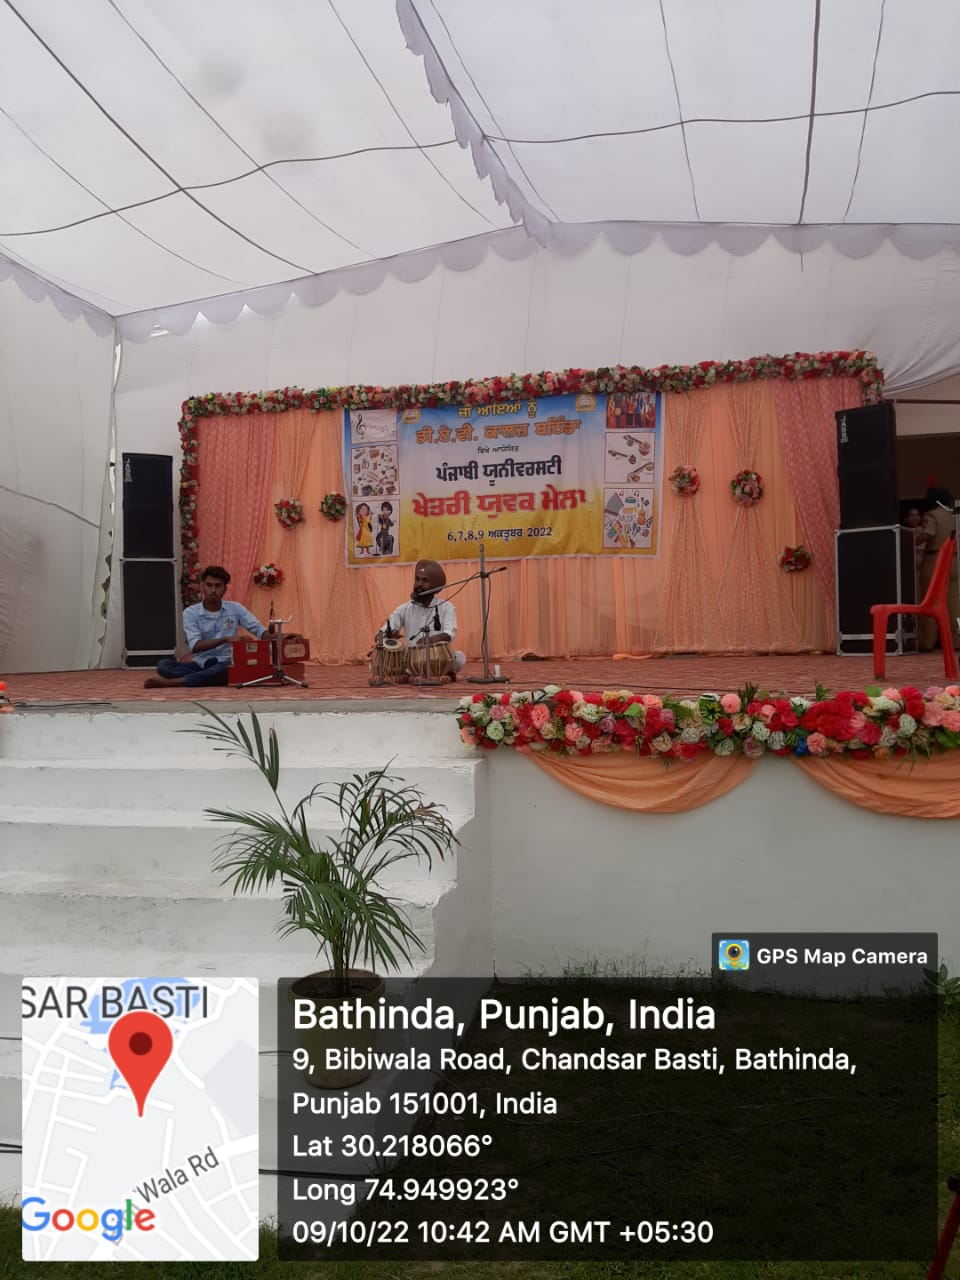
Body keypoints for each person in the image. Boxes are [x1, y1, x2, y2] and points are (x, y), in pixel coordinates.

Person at [143, 565, 273, 688]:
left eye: (218, 586)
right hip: (199, 664)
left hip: (225, 662)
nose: (213, 590)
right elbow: (195, 646)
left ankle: (176, 682)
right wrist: (225, 639)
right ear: (202, 587)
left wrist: (278, 635)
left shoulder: (235, 608)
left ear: (225, 588)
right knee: (163, 666)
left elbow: (260, 631)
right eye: (209, 585)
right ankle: (206, 677)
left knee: (225, 668)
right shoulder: (191, 612)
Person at [376, 560, 466, 680]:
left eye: (425, 581)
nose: (419, 584)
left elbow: (450, 633)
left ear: (435, 587)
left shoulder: (446, 607)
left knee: (459, 658)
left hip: (437, 658)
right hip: (411, 659)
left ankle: (437, 672)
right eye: (417, 579)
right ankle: (424, 674)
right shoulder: (404, 609)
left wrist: (429, 640)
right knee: (375, 663)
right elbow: (380, 634)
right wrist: (387, 636)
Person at [918, 487, 959, 652]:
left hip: (935, 560)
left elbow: (929, 533)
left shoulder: (932, 515)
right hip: (954, 560)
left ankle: (928, 641)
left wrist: (911, 540)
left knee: (931, 600)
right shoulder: (953, 515)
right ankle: (957, 639)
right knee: (955, 603)